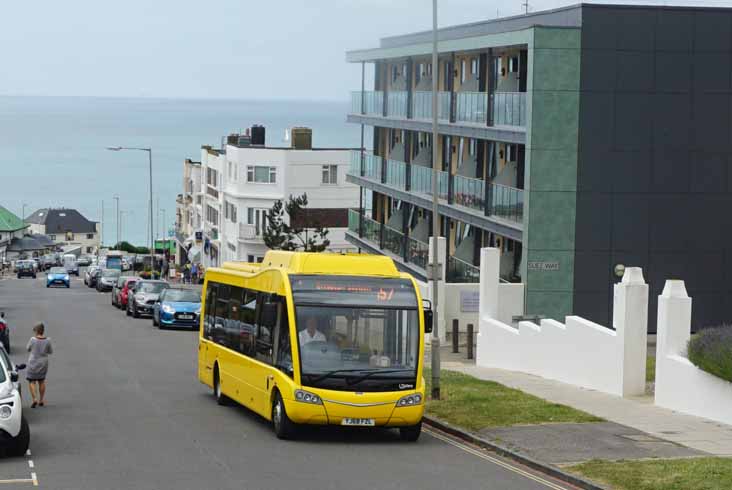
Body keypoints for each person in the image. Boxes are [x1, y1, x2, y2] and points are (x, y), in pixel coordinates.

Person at [26, 322, 53, 408]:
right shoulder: (48, 340)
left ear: (36, 331)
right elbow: (50, 351)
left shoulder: (32, 339)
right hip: (43, 362)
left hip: (33, 362)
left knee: (31, 381)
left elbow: (28, 348)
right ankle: (41, 400)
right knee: (41, 381)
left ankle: (34, 399)